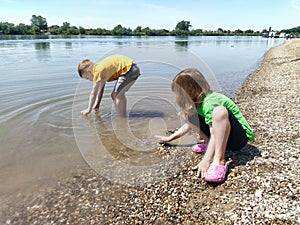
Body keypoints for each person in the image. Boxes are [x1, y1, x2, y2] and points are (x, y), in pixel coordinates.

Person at [158, 68, 254, 183]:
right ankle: (209, 144)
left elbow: (214, 131)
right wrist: (171, 138)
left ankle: (219, 160)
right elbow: (188, 125)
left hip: (238, 139)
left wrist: (206, 160)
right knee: (188, 116)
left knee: (219, 112)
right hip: (224, 137)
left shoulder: (210, 101)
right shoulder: (198, 102)